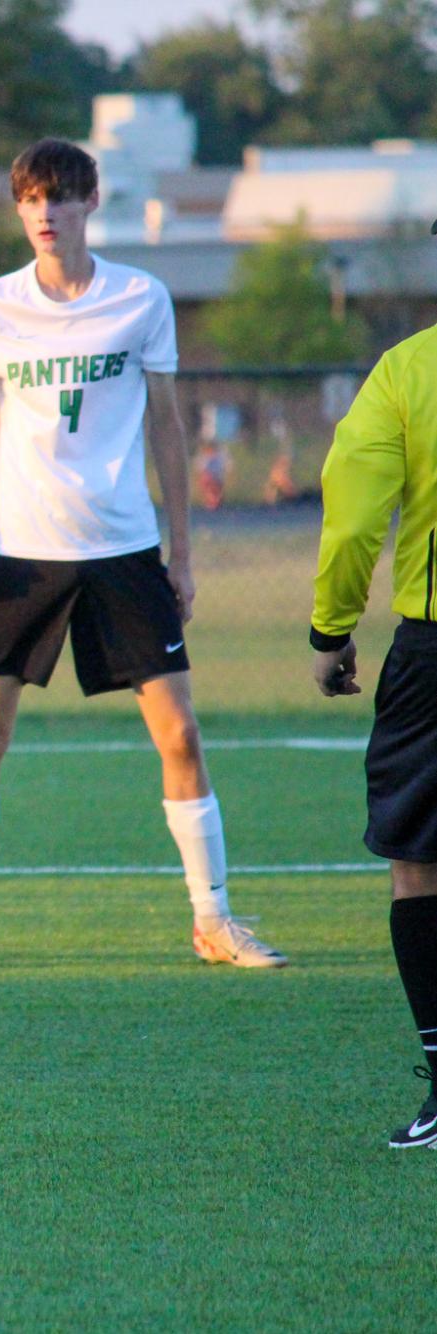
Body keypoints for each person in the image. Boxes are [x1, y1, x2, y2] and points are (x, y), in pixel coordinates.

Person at [0, 138, 286, 971]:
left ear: (90, 202)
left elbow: (165, 426)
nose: (45, 213)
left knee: (181, 736)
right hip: (22, 554)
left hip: (123, 549)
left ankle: (213, 920)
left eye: (60, 196)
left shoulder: (141, 297)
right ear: (18, 210)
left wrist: (180, 556)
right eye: (30, 199)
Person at [310, 291, 437, 1148]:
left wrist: (331, 628)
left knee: (417, 860)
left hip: (433, 650)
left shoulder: (407, 368)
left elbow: (355, 518)